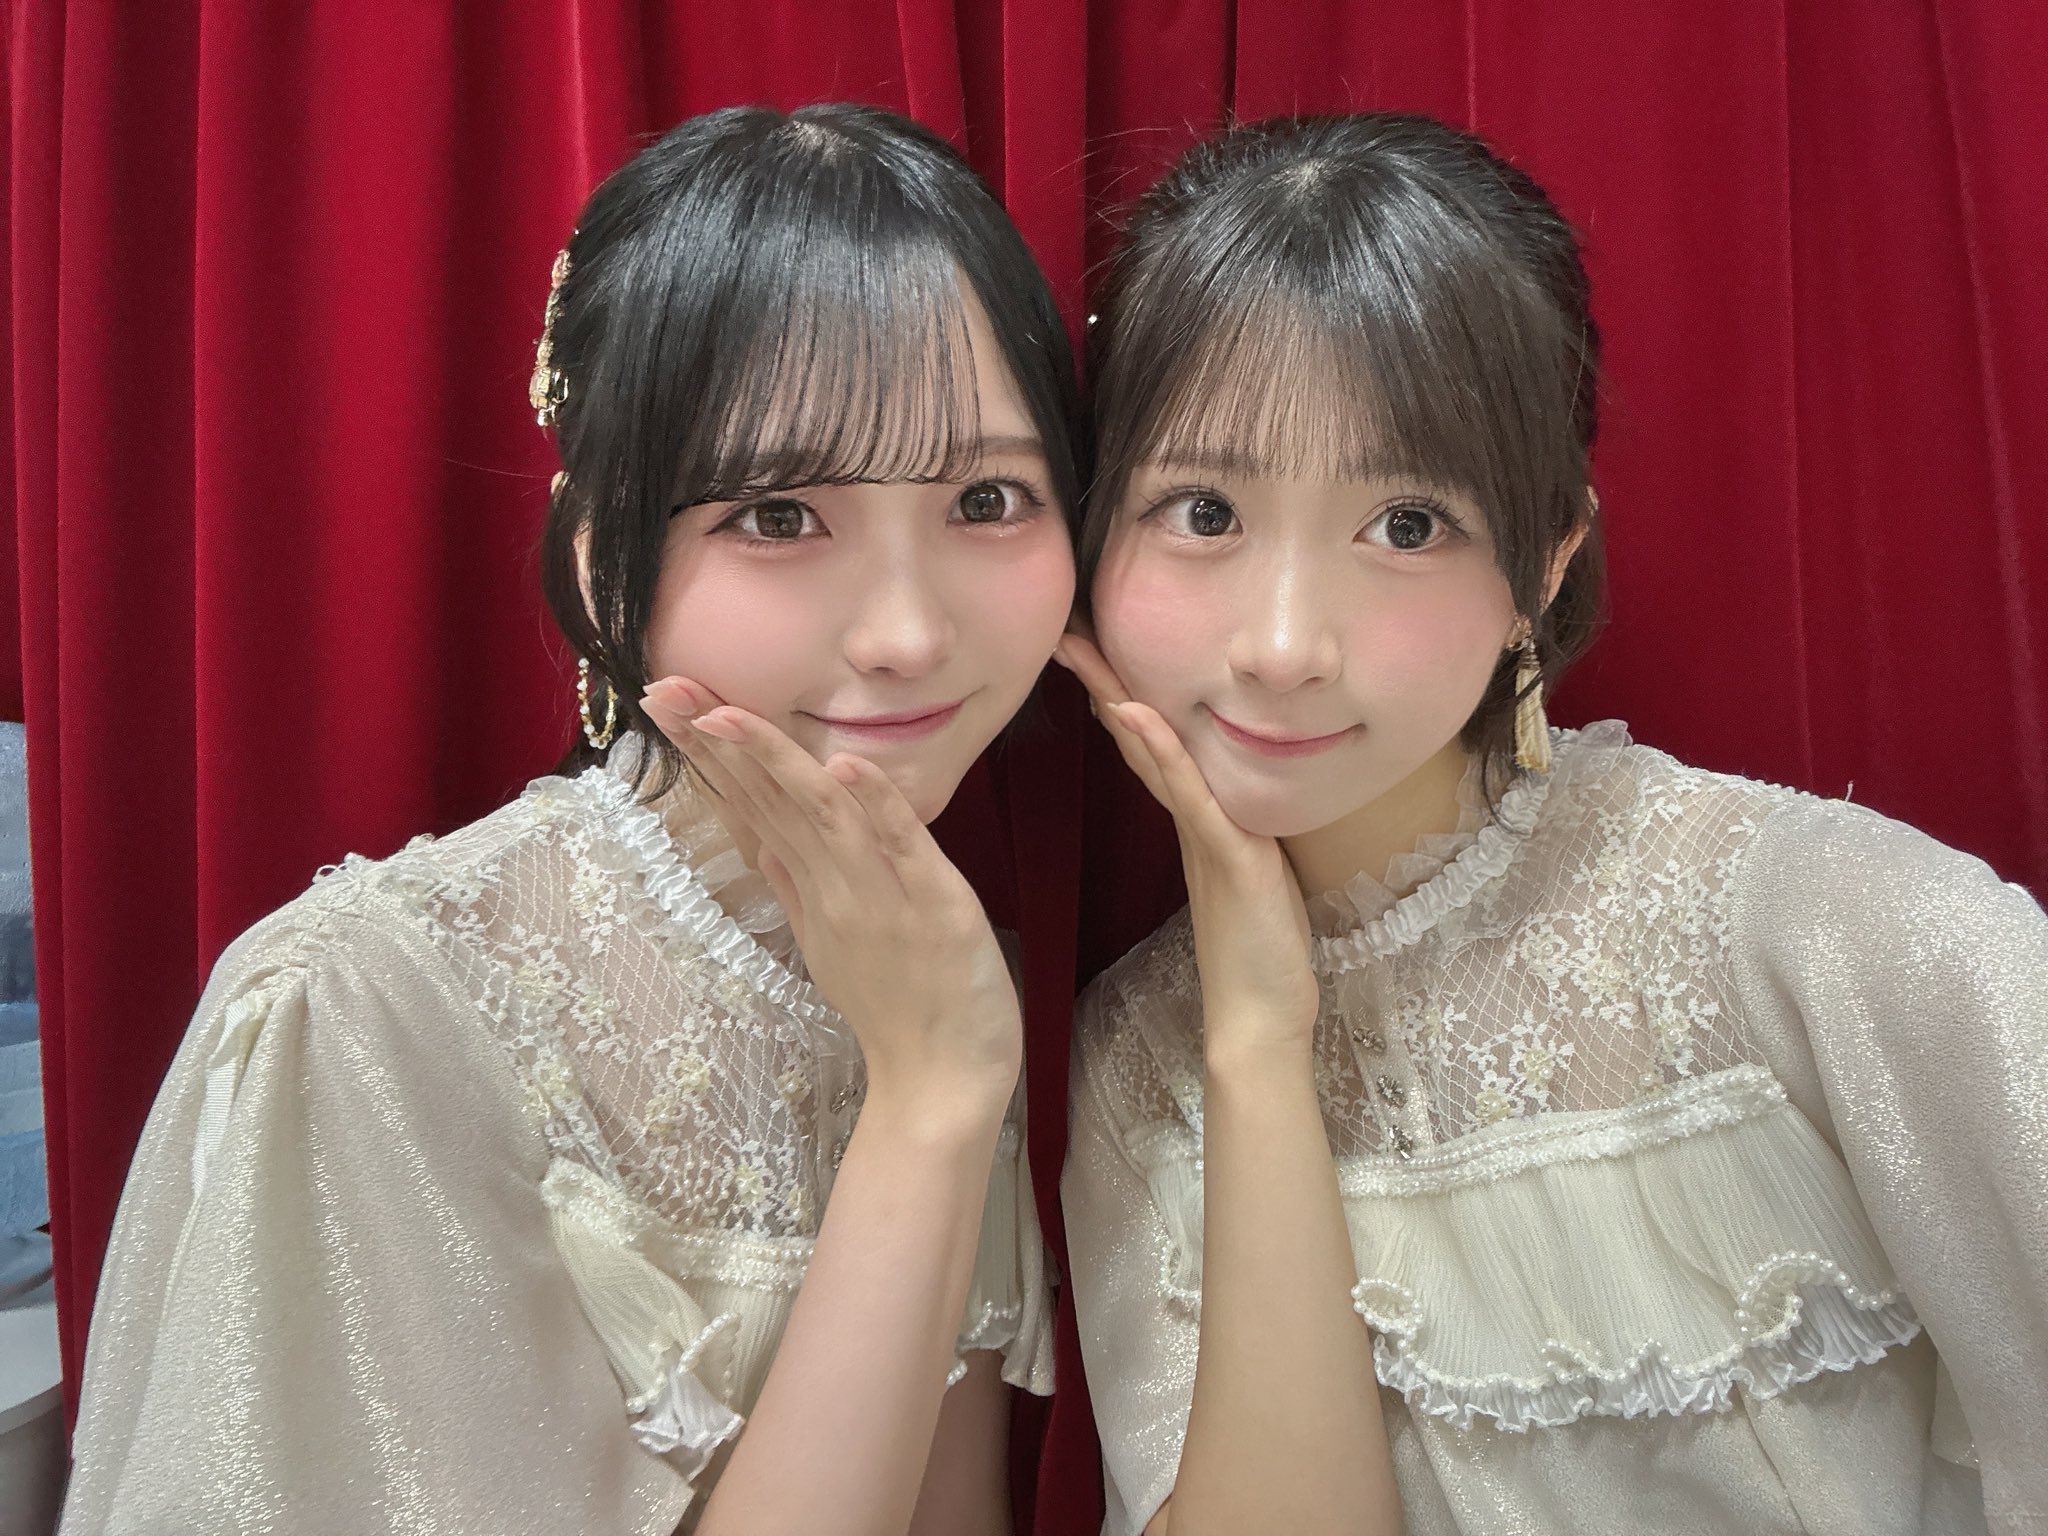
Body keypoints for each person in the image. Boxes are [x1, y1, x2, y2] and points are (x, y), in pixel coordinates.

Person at [62, 102, 1079, 1536]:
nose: (909, 633)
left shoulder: (937, 959)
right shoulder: (373, 1005)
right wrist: (930, 1101)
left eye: (988, 497)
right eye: (778, 515)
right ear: (605, 562)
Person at [1056, 112, 2047, 1536]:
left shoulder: (1823, 928)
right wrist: (1258, 1049)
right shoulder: (1137, 1064)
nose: (1282, 647)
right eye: (1202, 510)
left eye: (1408, 525)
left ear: (1545, 560)